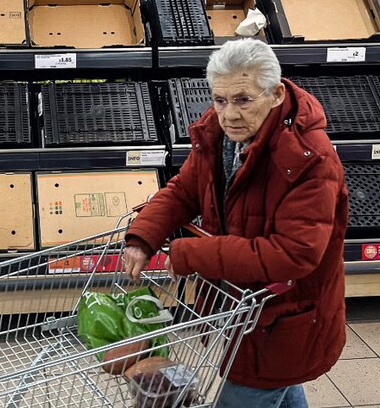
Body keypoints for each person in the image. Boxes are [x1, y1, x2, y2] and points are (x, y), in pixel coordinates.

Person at [123, 39, 348, 407]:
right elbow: (185, 190)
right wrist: (143, 236)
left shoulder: (310, 159)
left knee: (251, 388)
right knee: (279, 383)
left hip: (283, 313)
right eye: (220, 100)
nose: (228, 114)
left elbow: (294, 253)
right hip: (247, 309)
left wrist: (191, 253)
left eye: (243, 99)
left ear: (275, 95)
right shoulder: (220, 133)